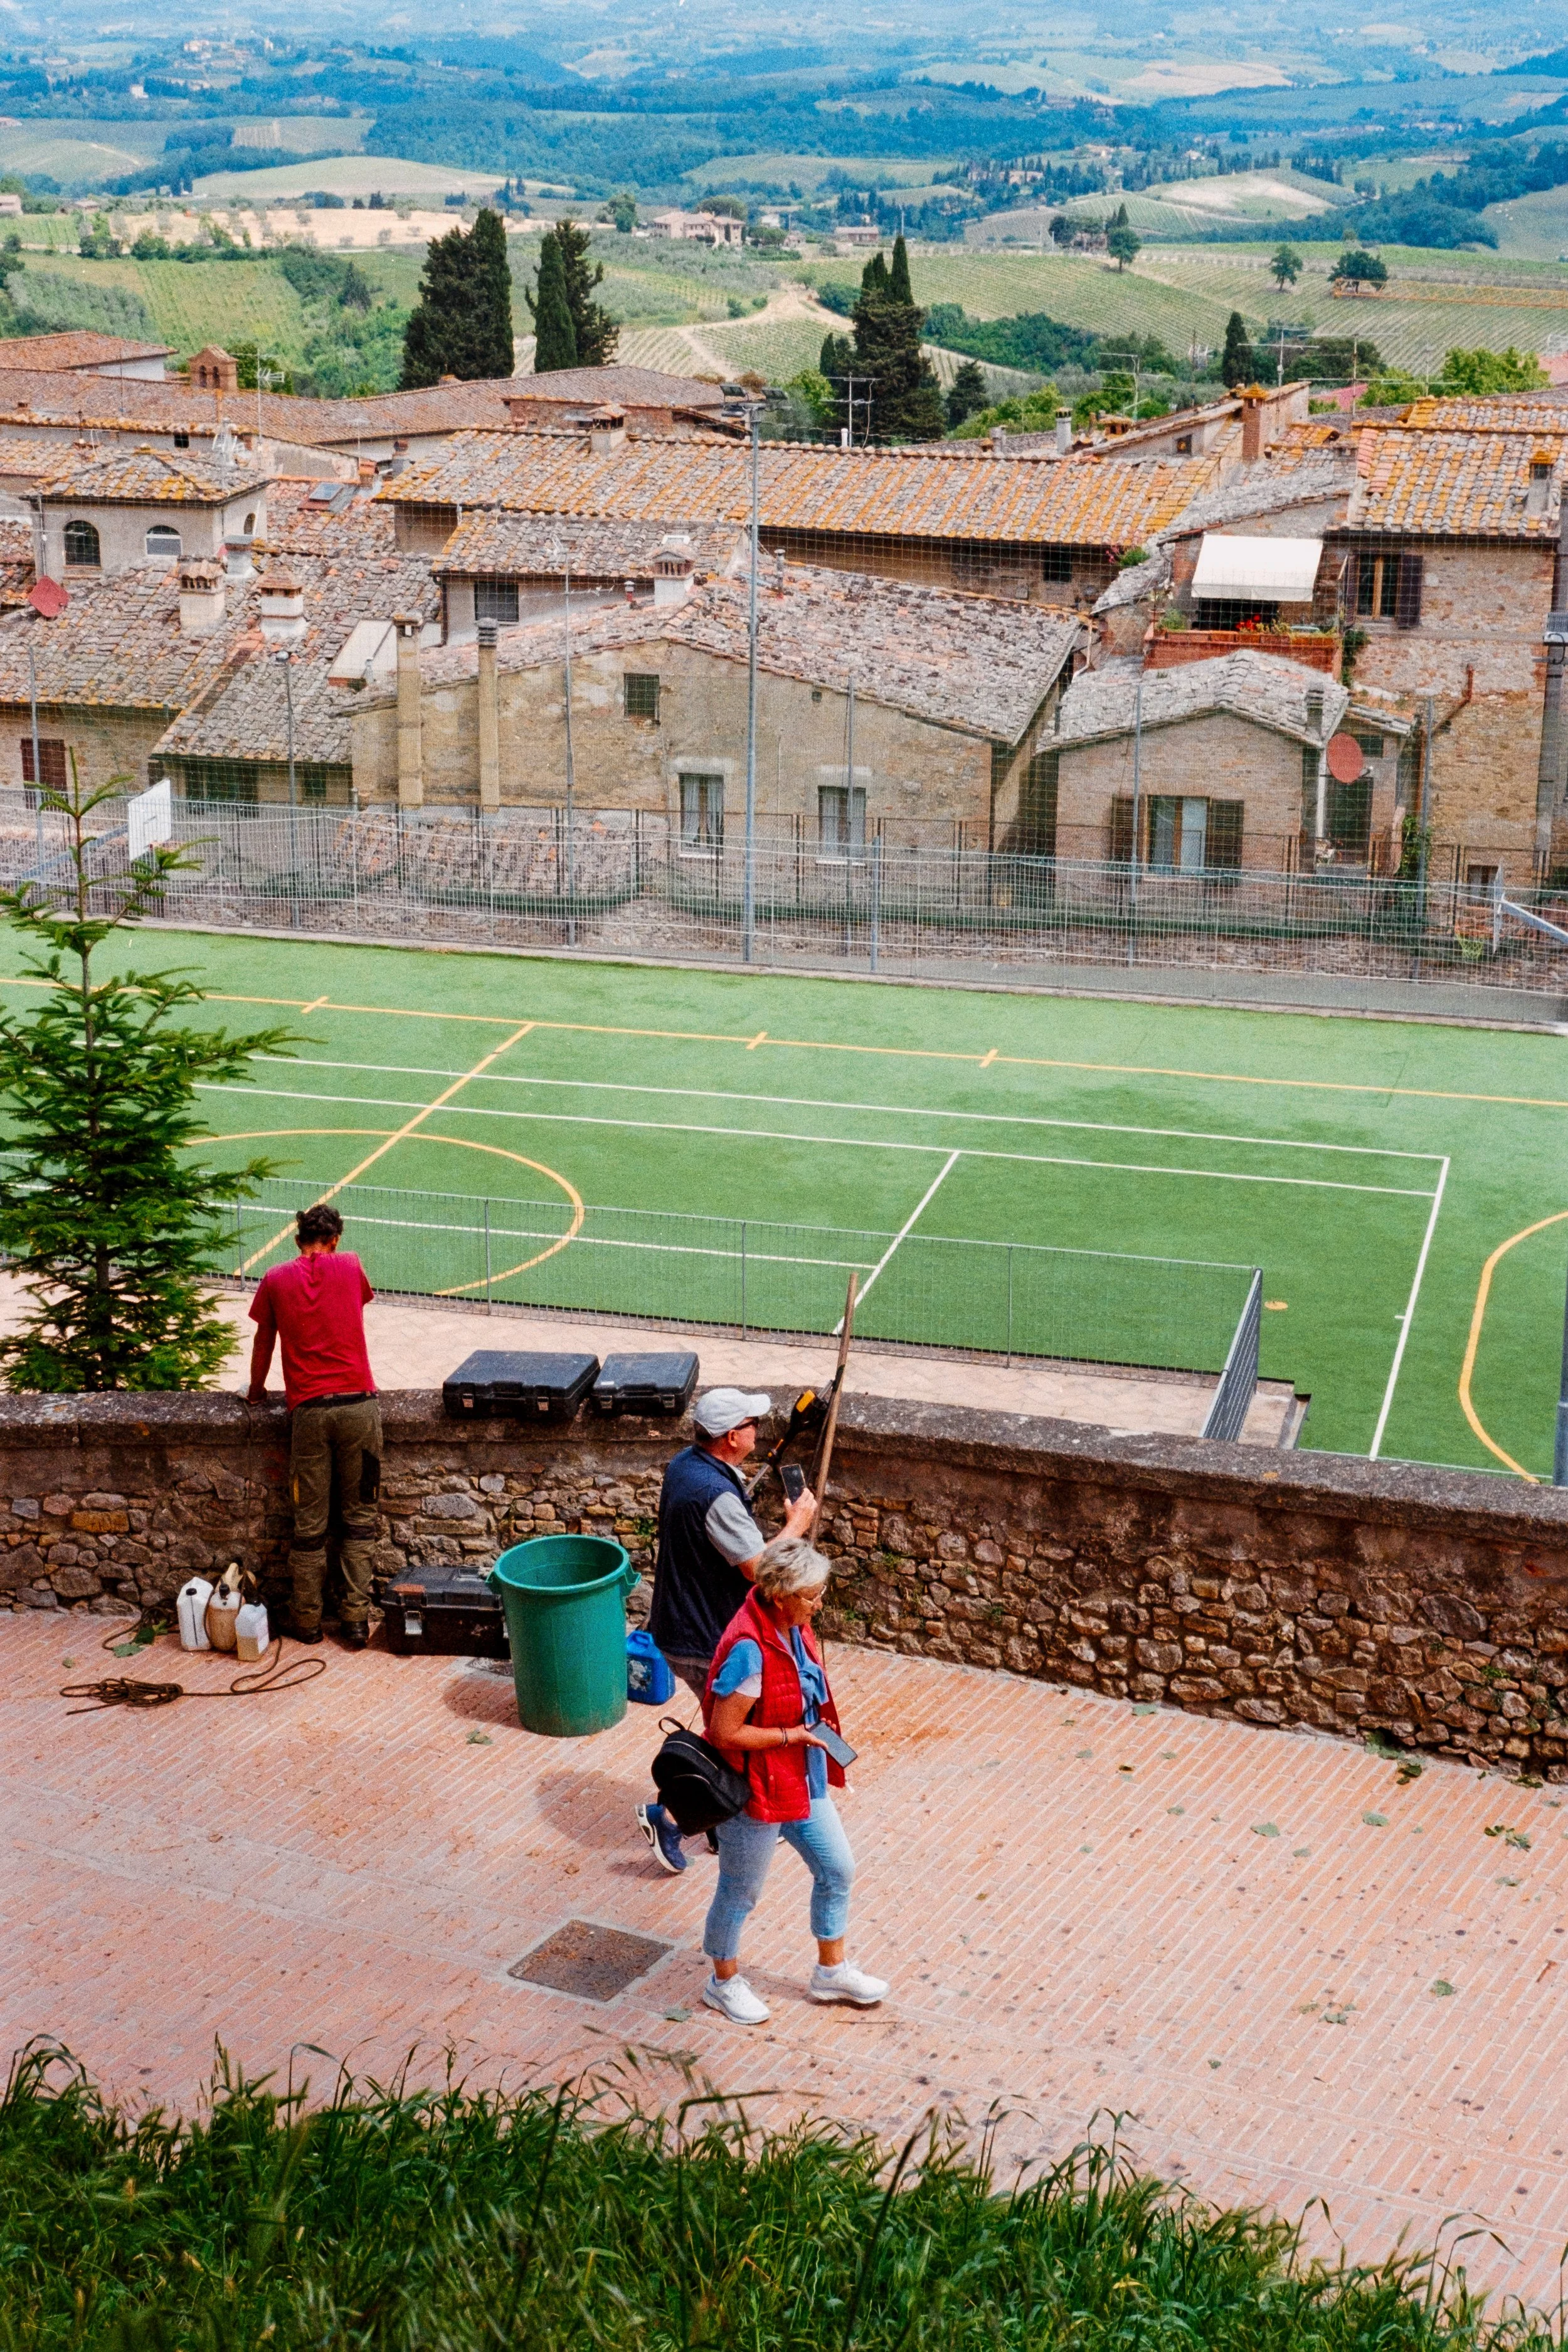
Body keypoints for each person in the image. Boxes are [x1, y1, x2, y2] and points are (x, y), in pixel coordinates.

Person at [699, 1533, 887, 2024]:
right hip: (755, 1791)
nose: (819, 1604)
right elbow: (723, 1731)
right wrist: (790, 1737)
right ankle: (722, 1982)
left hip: (801, 1779)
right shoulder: (749, 1650)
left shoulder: (792, 1626)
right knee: (740, 1892)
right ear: (779, 1597)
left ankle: (831, 1972)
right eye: (810, 1596)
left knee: (838, 1868)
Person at [636, 1387, 815, 1875]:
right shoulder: (716, 1494)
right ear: (733, 1436)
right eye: (752, 1423)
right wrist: (797, 1523)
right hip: (704, 1637)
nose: (759, 1429)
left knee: (730, 1731)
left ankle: (721, 1820)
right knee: (730, 1734)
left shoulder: (686, 1465)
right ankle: (670, 1816)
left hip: (683, 1624)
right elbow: (760, 1569)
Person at [247, 1203, 380, 1650]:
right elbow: (356, 1301)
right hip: (359, 1409)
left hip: (309, 1414)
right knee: (359, 1519)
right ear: (336, 1238)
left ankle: (306, 1622)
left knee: (309, 1525)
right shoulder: (350, 1265)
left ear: (296, 1237)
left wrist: (255, 1390)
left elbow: (264, 1339)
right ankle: (356, 1621)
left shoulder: (275, 1278)